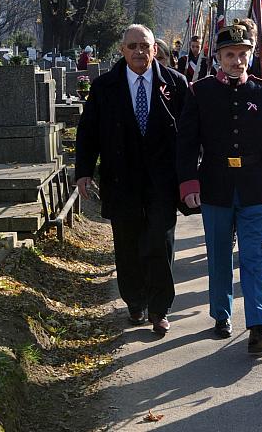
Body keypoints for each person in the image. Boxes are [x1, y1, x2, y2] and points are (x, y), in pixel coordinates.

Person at [177, 19, 262, 354]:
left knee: (254, 256)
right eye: (229, 54)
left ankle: (259, 324)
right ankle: (221, 314)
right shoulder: (201, 92)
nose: (236, 61)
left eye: (242, 54)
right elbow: (187, 143)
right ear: (218, 57)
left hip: (254, 186)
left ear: (251, 55)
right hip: (216, 185)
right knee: (219, 254)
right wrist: (189, 183)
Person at [75, 24, 188, 335]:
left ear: (155, 50)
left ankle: (160, 308)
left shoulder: (175, 84)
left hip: (161, 182)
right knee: (127, 244)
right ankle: (135, 301)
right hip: (120, 179)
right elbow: (88, 133)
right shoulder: (104, 88)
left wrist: (191, 178)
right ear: (122, 51)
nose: (139, 51)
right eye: (133, 46)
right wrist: (84, 171)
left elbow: (190, 136)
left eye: (145, 46)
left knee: (159, 242)